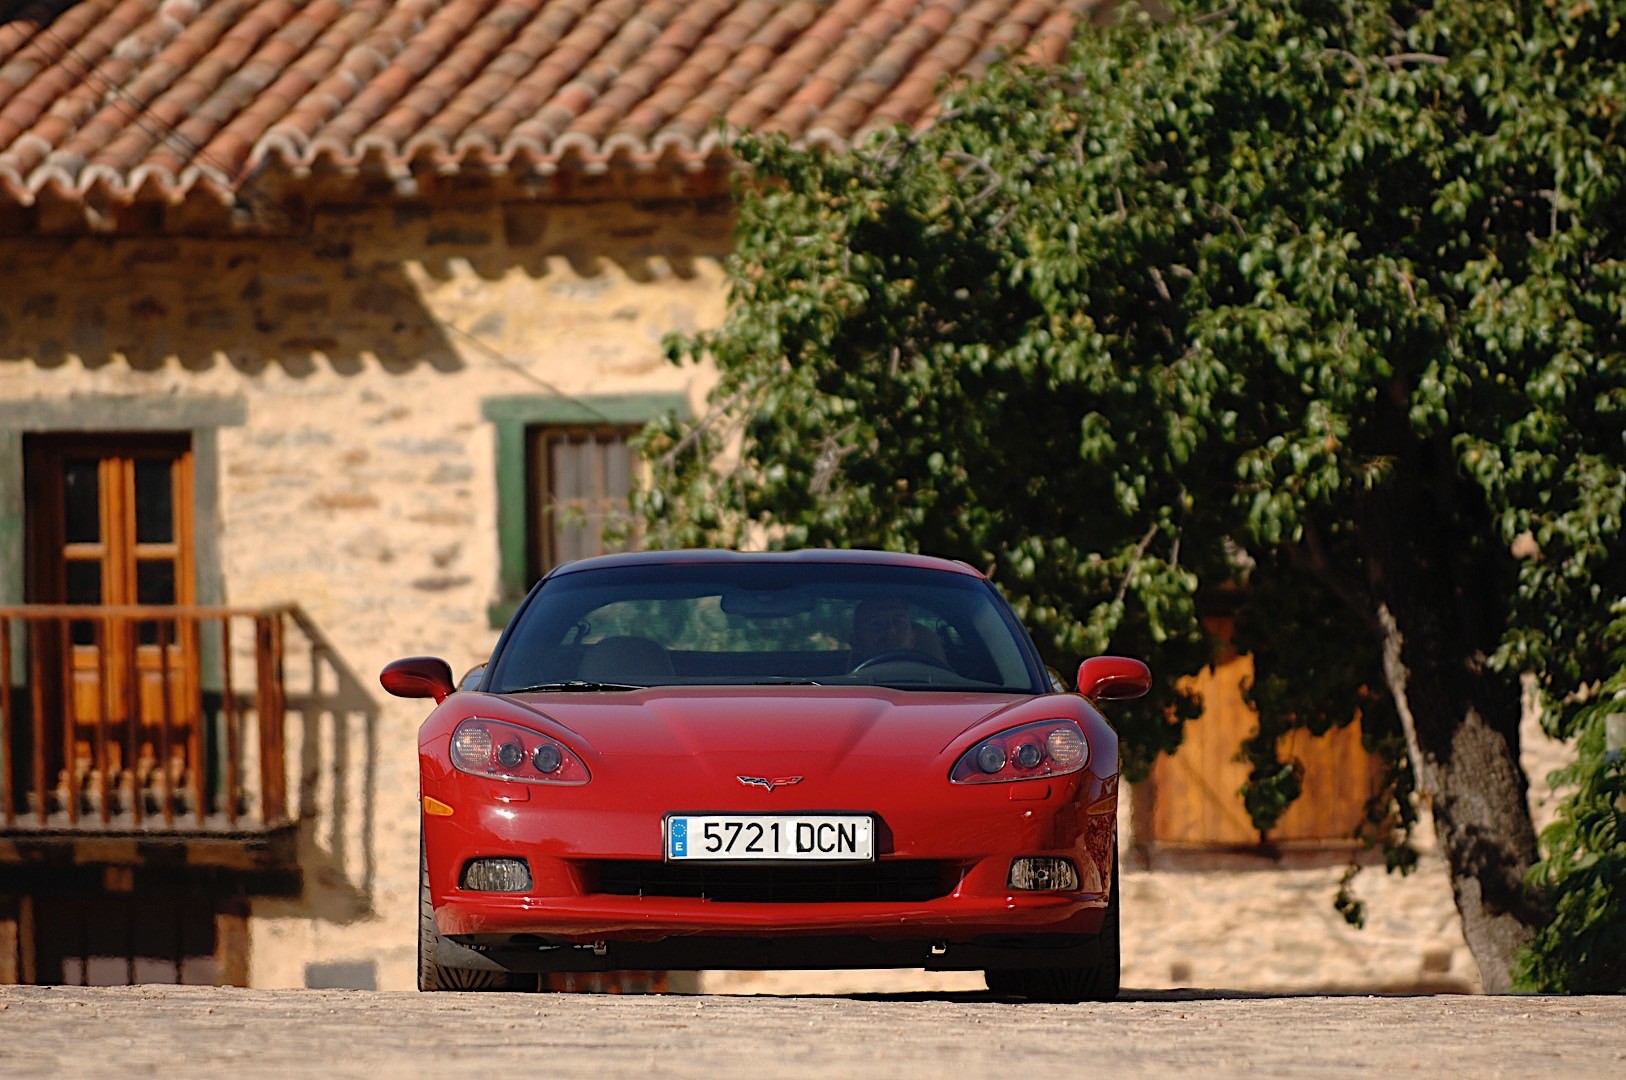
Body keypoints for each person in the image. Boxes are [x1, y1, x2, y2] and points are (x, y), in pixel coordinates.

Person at [849, 597, 946, 667]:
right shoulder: (842, 686)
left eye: (898, 622)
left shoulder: (945, 684)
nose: (891, 630)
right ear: (856, 642)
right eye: (876, 624)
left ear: (913, 638)